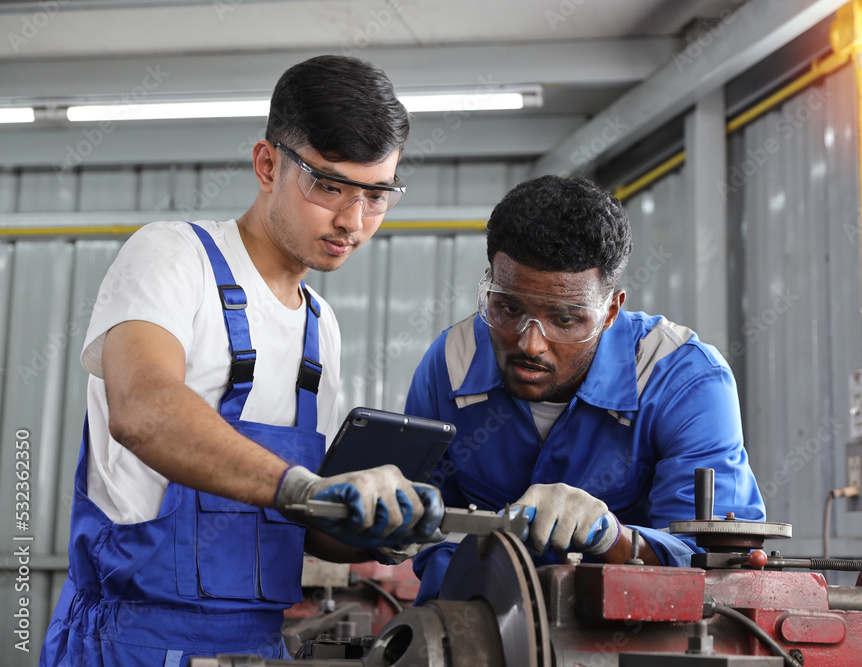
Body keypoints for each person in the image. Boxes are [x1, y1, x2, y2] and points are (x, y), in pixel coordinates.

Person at [40, 55, 443, 665]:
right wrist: (305, 485)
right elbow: (142, 408)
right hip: (132, 643)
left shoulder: (318, 327)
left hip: (255, 647)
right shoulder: (173, 258)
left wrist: (380, 532)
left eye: (376, 195)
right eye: (328, 186)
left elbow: (302, 524)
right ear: (267, 164)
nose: (352, 222)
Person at [405, 175, 766, 604]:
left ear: (610, 310)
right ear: (489, 284)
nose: (529, 343)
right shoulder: (450, 365)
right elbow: (420, 530)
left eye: (565, 319)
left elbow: (719, 572)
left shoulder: (683, 380)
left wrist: (611, 540)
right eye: (508, 308)